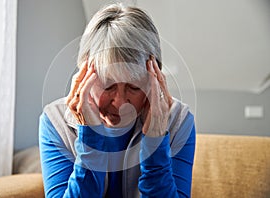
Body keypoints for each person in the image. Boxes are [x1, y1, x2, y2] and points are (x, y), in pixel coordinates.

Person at [39, 3, 196, 198]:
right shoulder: (55, 122)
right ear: (83, 76)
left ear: (153, 80)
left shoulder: (179, 121)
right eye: (108, 85)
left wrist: (155, 141)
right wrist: (91, 139)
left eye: (134, 87)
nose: (121, 103)